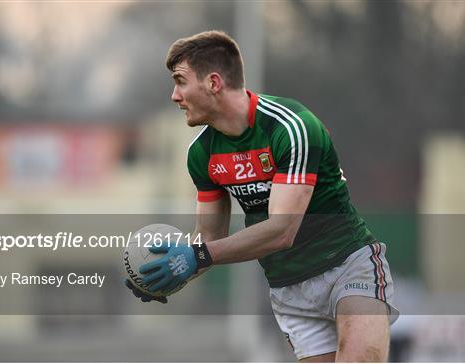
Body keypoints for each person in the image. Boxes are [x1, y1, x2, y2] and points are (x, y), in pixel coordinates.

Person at [125, 30, 398, 362]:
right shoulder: (201, 153)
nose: (174, 95)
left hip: (347, 266)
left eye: (181, 81)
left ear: (213, 83)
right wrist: (165, 275)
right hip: (288, 288)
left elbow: (282, 230)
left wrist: (194, 258)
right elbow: (208, 239)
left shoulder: (291, 127)